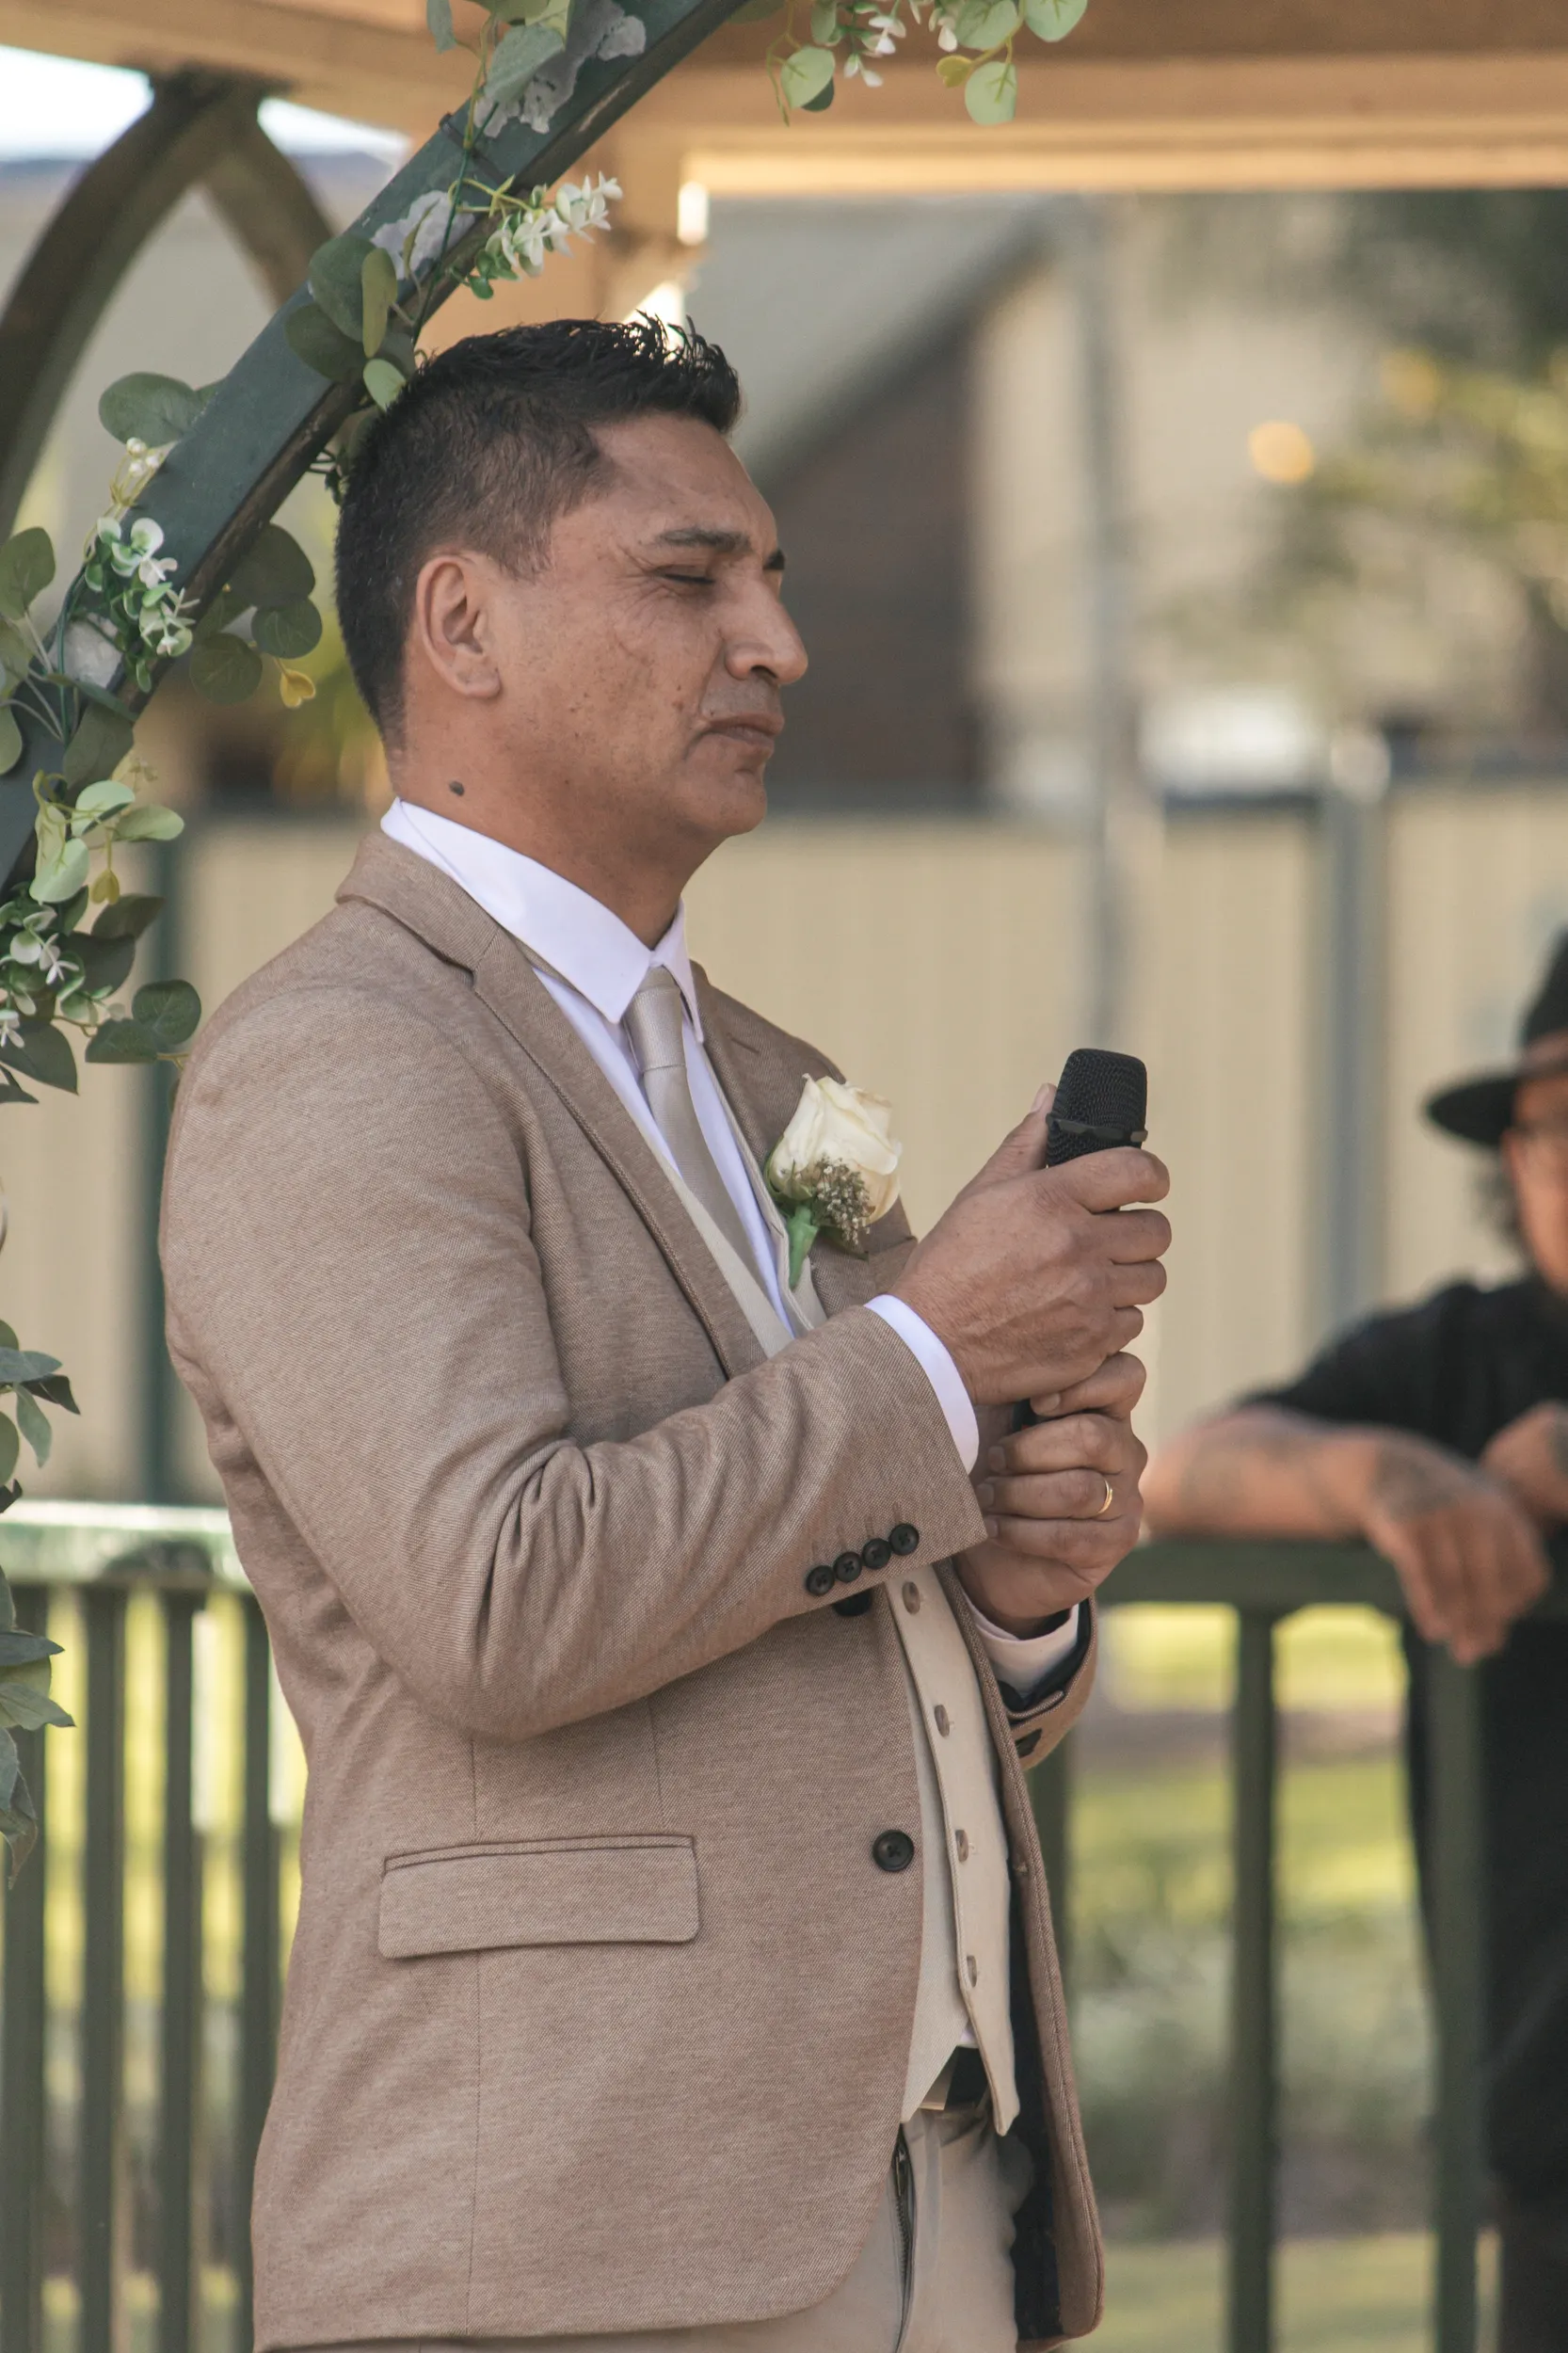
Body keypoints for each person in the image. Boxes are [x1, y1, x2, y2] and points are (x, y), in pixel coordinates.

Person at [160, 318, 1172, 2353]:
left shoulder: (766, 1076)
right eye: (688, 575)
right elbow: (498, 1598)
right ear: (461, 620)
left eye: (775, 579)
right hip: (564, 2229)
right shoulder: (342, 1058)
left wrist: (1012, 1592)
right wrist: (921, 1361)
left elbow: (826, 1570)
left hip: (924, 2205)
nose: (777, 642)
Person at [1144, 931, 1568, 2353]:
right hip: (1547, 2117)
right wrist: (1374, 1478)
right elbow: (1182, 1471)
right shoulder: (1459, 1360)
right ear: (1509, 1162)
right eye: (1556, 1125)